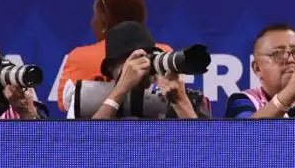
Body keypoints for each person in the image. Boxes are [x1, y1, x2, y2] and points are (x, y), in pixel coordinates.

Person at [84, 26, 213, 120]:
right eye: (130, 61)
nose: (139, 67)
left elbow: (205, 152)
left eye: (146, 57)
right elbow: (83, 151)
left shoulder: (187, 98)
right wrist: (119, 91)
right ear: (110, 70)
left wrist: (181, 103)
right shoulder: (88, 98)